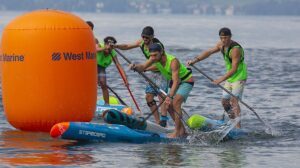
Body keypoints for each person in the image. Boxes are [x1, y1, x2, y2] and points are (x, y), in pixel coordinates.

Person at [130, 43, 194, 138]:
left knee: (175, 103)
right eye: (151, 55)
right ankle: (182, 130)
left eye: (155, 55)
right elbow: (143, 67)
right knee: (167, 106)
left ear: (162, 52)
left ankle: (176, 132)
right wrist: (135, 66)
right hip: (174, 81)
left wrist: (170, 96)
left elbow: (176, 81)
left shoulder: (173, 61)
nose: (153, 58)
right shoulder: (153, 59)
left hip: (185, 81)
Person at [187, 27, 247, 128]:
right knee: (224, 102)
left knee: (233, 100)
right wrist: (195, 60)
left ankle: (238, 127)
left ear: (230, 37)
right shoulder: (221, 45)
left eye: (226, 37)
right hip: (230, 77)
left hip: (239, 77)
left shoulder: (235, 49)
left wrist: (220, 79)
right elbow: (209, 52)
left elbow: (234, 69)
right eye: (221, 38)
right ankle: (233, 122)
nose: (224, 40)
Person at [114, 26, 169, 127]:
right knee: (148, 97)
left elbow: (160, 64)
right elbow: (126, 46)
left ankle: (164, 119)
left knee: (161, 97)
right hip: (153, 74)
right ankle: (158, 123)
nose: (145, 39)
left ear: (152, 37)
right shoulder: (141, 42)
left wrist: (145, 68)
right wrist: (116, 46)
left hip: (162, 72)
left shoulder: (158, 47)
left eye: (147, 37)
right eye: (143, 37)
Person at [97, 36, 129, 105]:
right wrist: (104, 48)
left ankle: (107, 104)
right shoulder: (100, 45)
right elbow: (94, 49)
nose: (109, 49)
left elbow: (118, 65)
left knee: (103, 84)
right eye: (107, 45)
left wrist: (125, 79)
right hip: (92, 66)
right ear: (105, 44)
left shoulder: (113, 52)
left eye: (111, 47)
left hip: (101, 68)